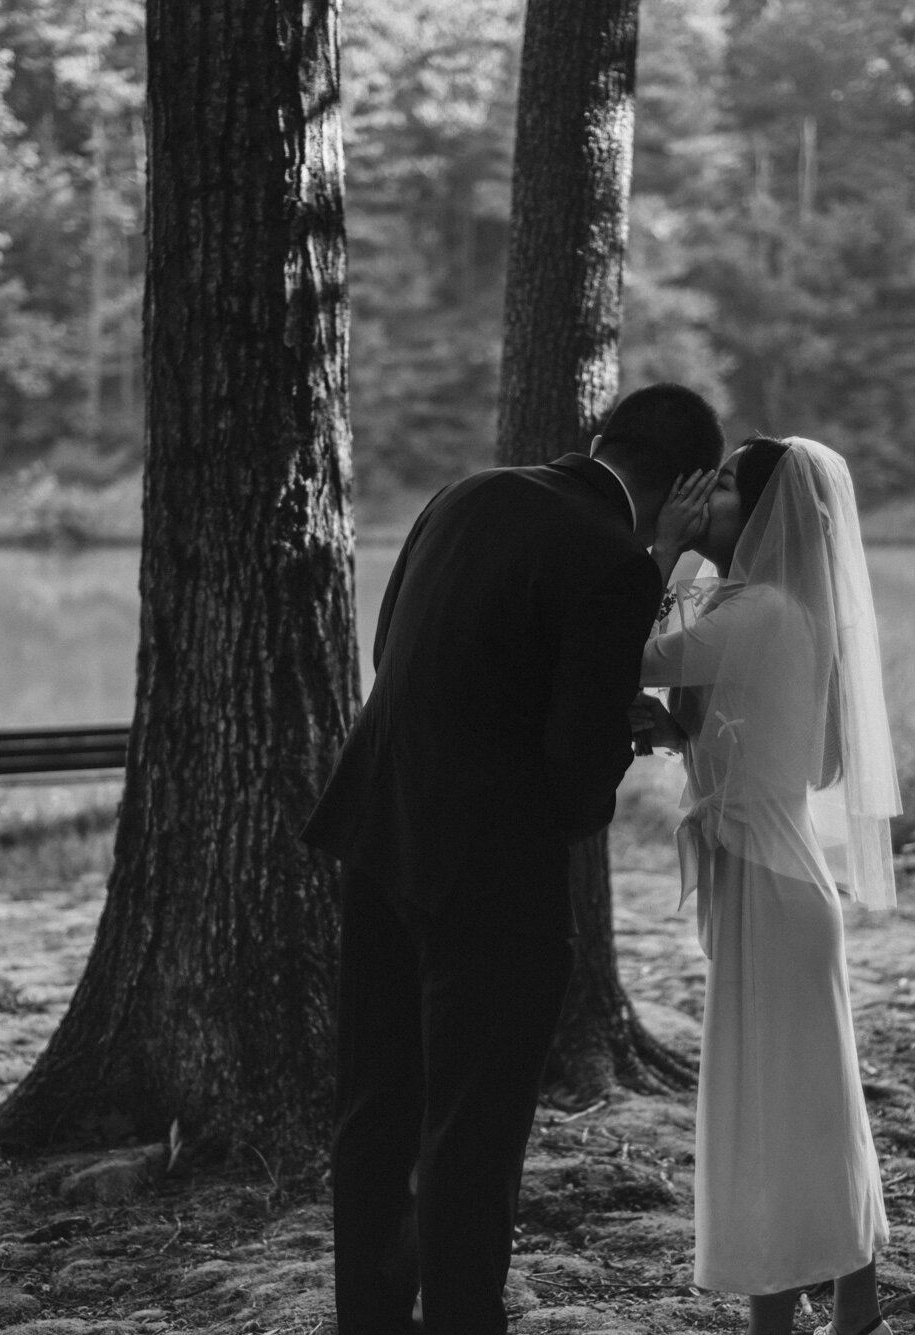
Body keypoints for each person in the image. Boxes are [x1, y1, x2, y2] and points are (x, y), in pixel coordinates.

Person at [303, 383, 724, 1335]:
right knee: (473, 1128)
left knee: (375, 1105)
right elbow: (577, 787)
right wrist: (625, 732)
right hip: (489, 878)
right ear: (687, 482)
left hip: (381, 828)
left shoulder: (464, 493)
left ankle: (369, 1319)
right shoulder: (618, 562)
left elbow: (394, 650)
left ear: (597, 439)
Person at [632, 436, 898, 1335]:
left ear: (760, 514)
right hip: (771, 883)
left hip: (774, 890)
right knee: (803, 1108)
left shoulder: (761, 613)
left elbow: (632, 653)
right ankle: (846, 1304)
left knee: (778, 1112)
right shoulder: (766, 610)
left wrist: (664, 547)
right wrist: (683, 737)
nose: (704, 499)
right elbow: (756, 736)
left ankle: (785, 1318)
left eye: (722, 489)